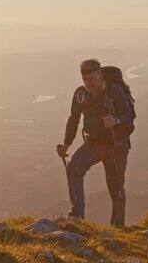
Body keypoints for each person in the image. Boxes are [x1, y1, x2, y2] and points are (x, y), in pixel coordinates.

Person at [56, 59, 135, 226]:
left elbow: (129, 119)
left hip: (116, 145)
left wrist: (116, 121)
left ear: (99, 75)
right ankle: (77, 216)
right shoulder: (81, 94)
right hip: (93, 143)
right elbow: (74, 119)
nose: (87, 83)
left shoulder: (115, 92)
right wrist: (66, 144)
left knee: (115, 186)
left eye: (91, 79)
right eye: (84, 79)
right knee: (73, 168)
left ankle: (117, 225)